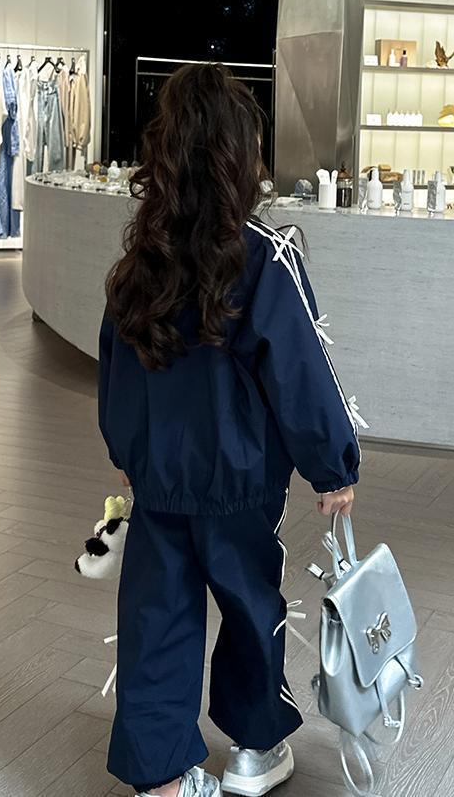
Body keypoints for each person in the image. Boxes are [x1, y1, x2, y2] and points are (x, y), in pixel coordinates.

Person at [98, 64, 361, 797]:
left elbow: (115, 367)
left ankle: (161, 778)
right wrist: (334, 465)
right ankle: (253, 748)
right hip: (242, 482)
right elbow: (301, 371)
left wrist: (126, 451)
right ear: (240, 151)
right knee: (252, 609)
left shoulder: (140, 260)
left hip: (159, 482)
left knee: (156, 619)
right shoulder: (266, 255)